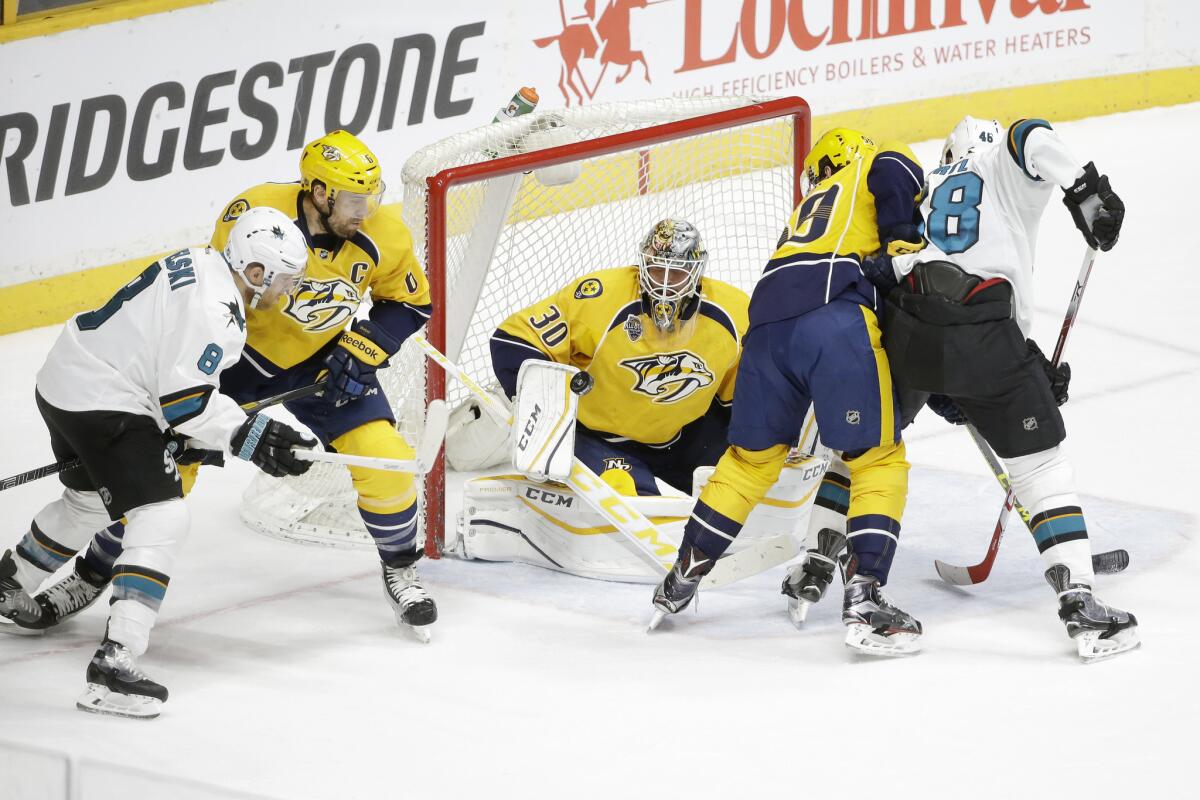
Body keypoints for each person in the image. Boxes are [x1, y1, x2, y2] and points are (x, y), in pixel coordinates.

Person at [12, 130, 440, 642]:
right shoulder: (255, 214)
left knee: (386, 460)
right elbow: (219, 301)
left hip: (326, 361)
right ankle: (91, 574)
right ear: (320, 192)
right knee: (162, 484)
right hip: (236, 363)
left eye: (371, 196)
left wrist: (364, 348)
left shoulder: (385, 234)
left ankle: (401, 568)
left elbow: (411, 303)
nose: (365, 210)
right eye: (353, 199)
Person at [0, 207, 315, 717]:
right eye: (285, 281)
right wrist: (250, 435)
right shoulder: (219, 314)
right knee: (163, 515)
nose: (289, 292)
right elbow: (187, 403)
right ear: (255, 273)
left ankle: (9, 582)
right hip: (104, 400)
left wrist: (195, 437)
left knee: (87, 503)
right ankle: (114, 667)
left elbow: (165, 376)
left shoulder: (201, 261)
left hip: (65, 376)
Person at [860, 115, 1137, 661]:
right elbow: (1027, 133)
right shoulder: (996, 163)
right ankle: (1079, 600)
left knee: (869, 446)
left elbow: (937, 271)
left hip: (910, 329)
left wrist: (1022, 366)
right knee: (1041, 466)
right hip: (982, 336)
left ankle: (821, 566)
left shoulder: (932, 185)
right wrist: (1085, 189)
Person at [649, 129, 928, 656]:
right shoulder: (872, 161)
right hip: (834, 319)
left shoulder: (807, 211)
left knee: (749, 462)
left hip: (766, 329)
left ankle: (683, 573)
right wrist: (903, 246)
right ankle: (866, 597)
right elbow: (899, 171)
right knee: (876, 458)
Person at [487, 218, 749, 497]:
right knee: (632, 500)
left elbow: (743, 396)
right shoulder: (599, 297)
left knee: (748, 475)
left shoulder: (733, 314)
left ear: (696, 273)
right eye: (657, 269)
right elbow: (512, 339)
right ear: (642, 264)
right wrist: (552, 396)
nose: (664, 284)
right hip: (599, 440)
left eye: (676, 274)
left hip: (682, 438)